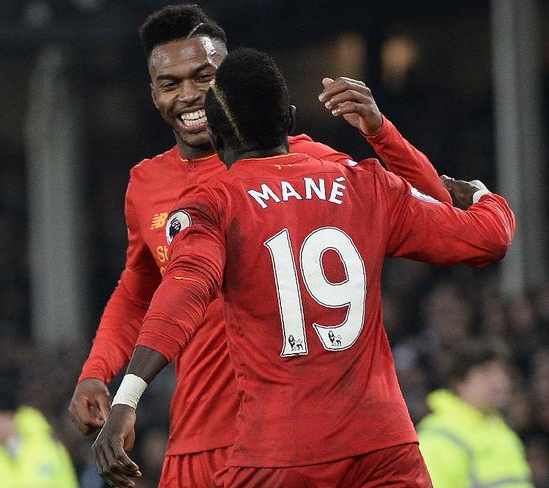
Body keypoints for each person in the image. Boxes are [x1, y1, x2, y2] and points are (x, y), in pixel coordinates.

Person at [91, 48, 515, 487]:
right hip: (382, 447)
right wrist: (481, 195)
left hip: (281, 453)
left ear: (216, 141)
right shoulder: (364, 184)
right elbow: (488, 239)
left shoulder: (212, 207)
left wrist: (128, 398)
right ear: (291, 120)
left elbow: (182, 295)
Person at [417, 342, 533, 487]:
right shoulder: (437, 436)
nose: (501, 381)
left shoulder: (499, 428)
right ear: (459, 382)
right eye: (486, 373)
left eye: (502, 372)